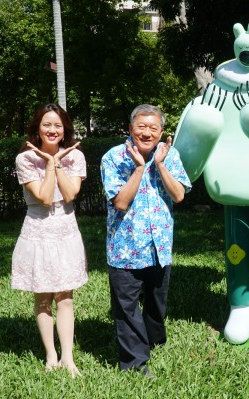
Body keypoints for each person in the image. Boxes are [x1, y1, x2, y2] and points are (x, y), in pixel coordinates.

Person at [101, 104, 191, 376]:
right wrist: (140, 168)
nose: (147, 132)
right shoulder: (114, 157)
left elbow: (178, 195)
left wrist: (160, 164)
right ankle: (135, 363)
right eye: (141, 126)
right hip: (125, 249)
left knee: (156, 303)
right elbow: (120, 202)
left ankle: (154, 341)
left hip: (159, 246)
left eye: (153, 128)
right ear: (130, 128)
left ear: (162, 131)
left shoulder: (170, 155)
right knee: (127, 309)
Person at [11, 103, 88, 378]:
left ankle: (68, 356)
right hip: (38, 228)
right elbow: (44, 197)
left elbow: (69, 195)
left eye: (57, 125)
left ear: (64, 129)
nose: (52, 130)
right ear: (37, 128)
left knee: (65, 296)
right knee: (43, 295)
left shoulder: (75, 156)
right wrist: (50, 163)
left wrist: (57, 163)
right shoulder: (25, 159)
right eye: (47, 124)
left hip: (66, 227)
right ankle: (50, 354)